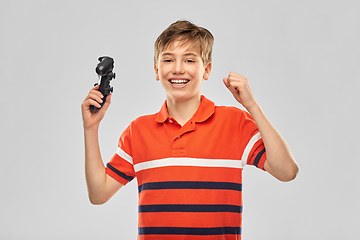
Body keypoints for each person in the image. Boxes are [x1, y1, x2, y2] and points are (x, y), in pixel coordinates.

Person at [81, 20, 299, 240]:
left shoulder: (235, 123)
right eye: (168, 59)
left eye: (189, 60)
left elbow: (287, 171)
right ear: (157, 70)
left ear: (207, 69)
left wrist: (252, 106)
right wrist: (91, 128)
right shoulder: (137, 131)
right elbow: (99, 194)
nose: (178, 68)